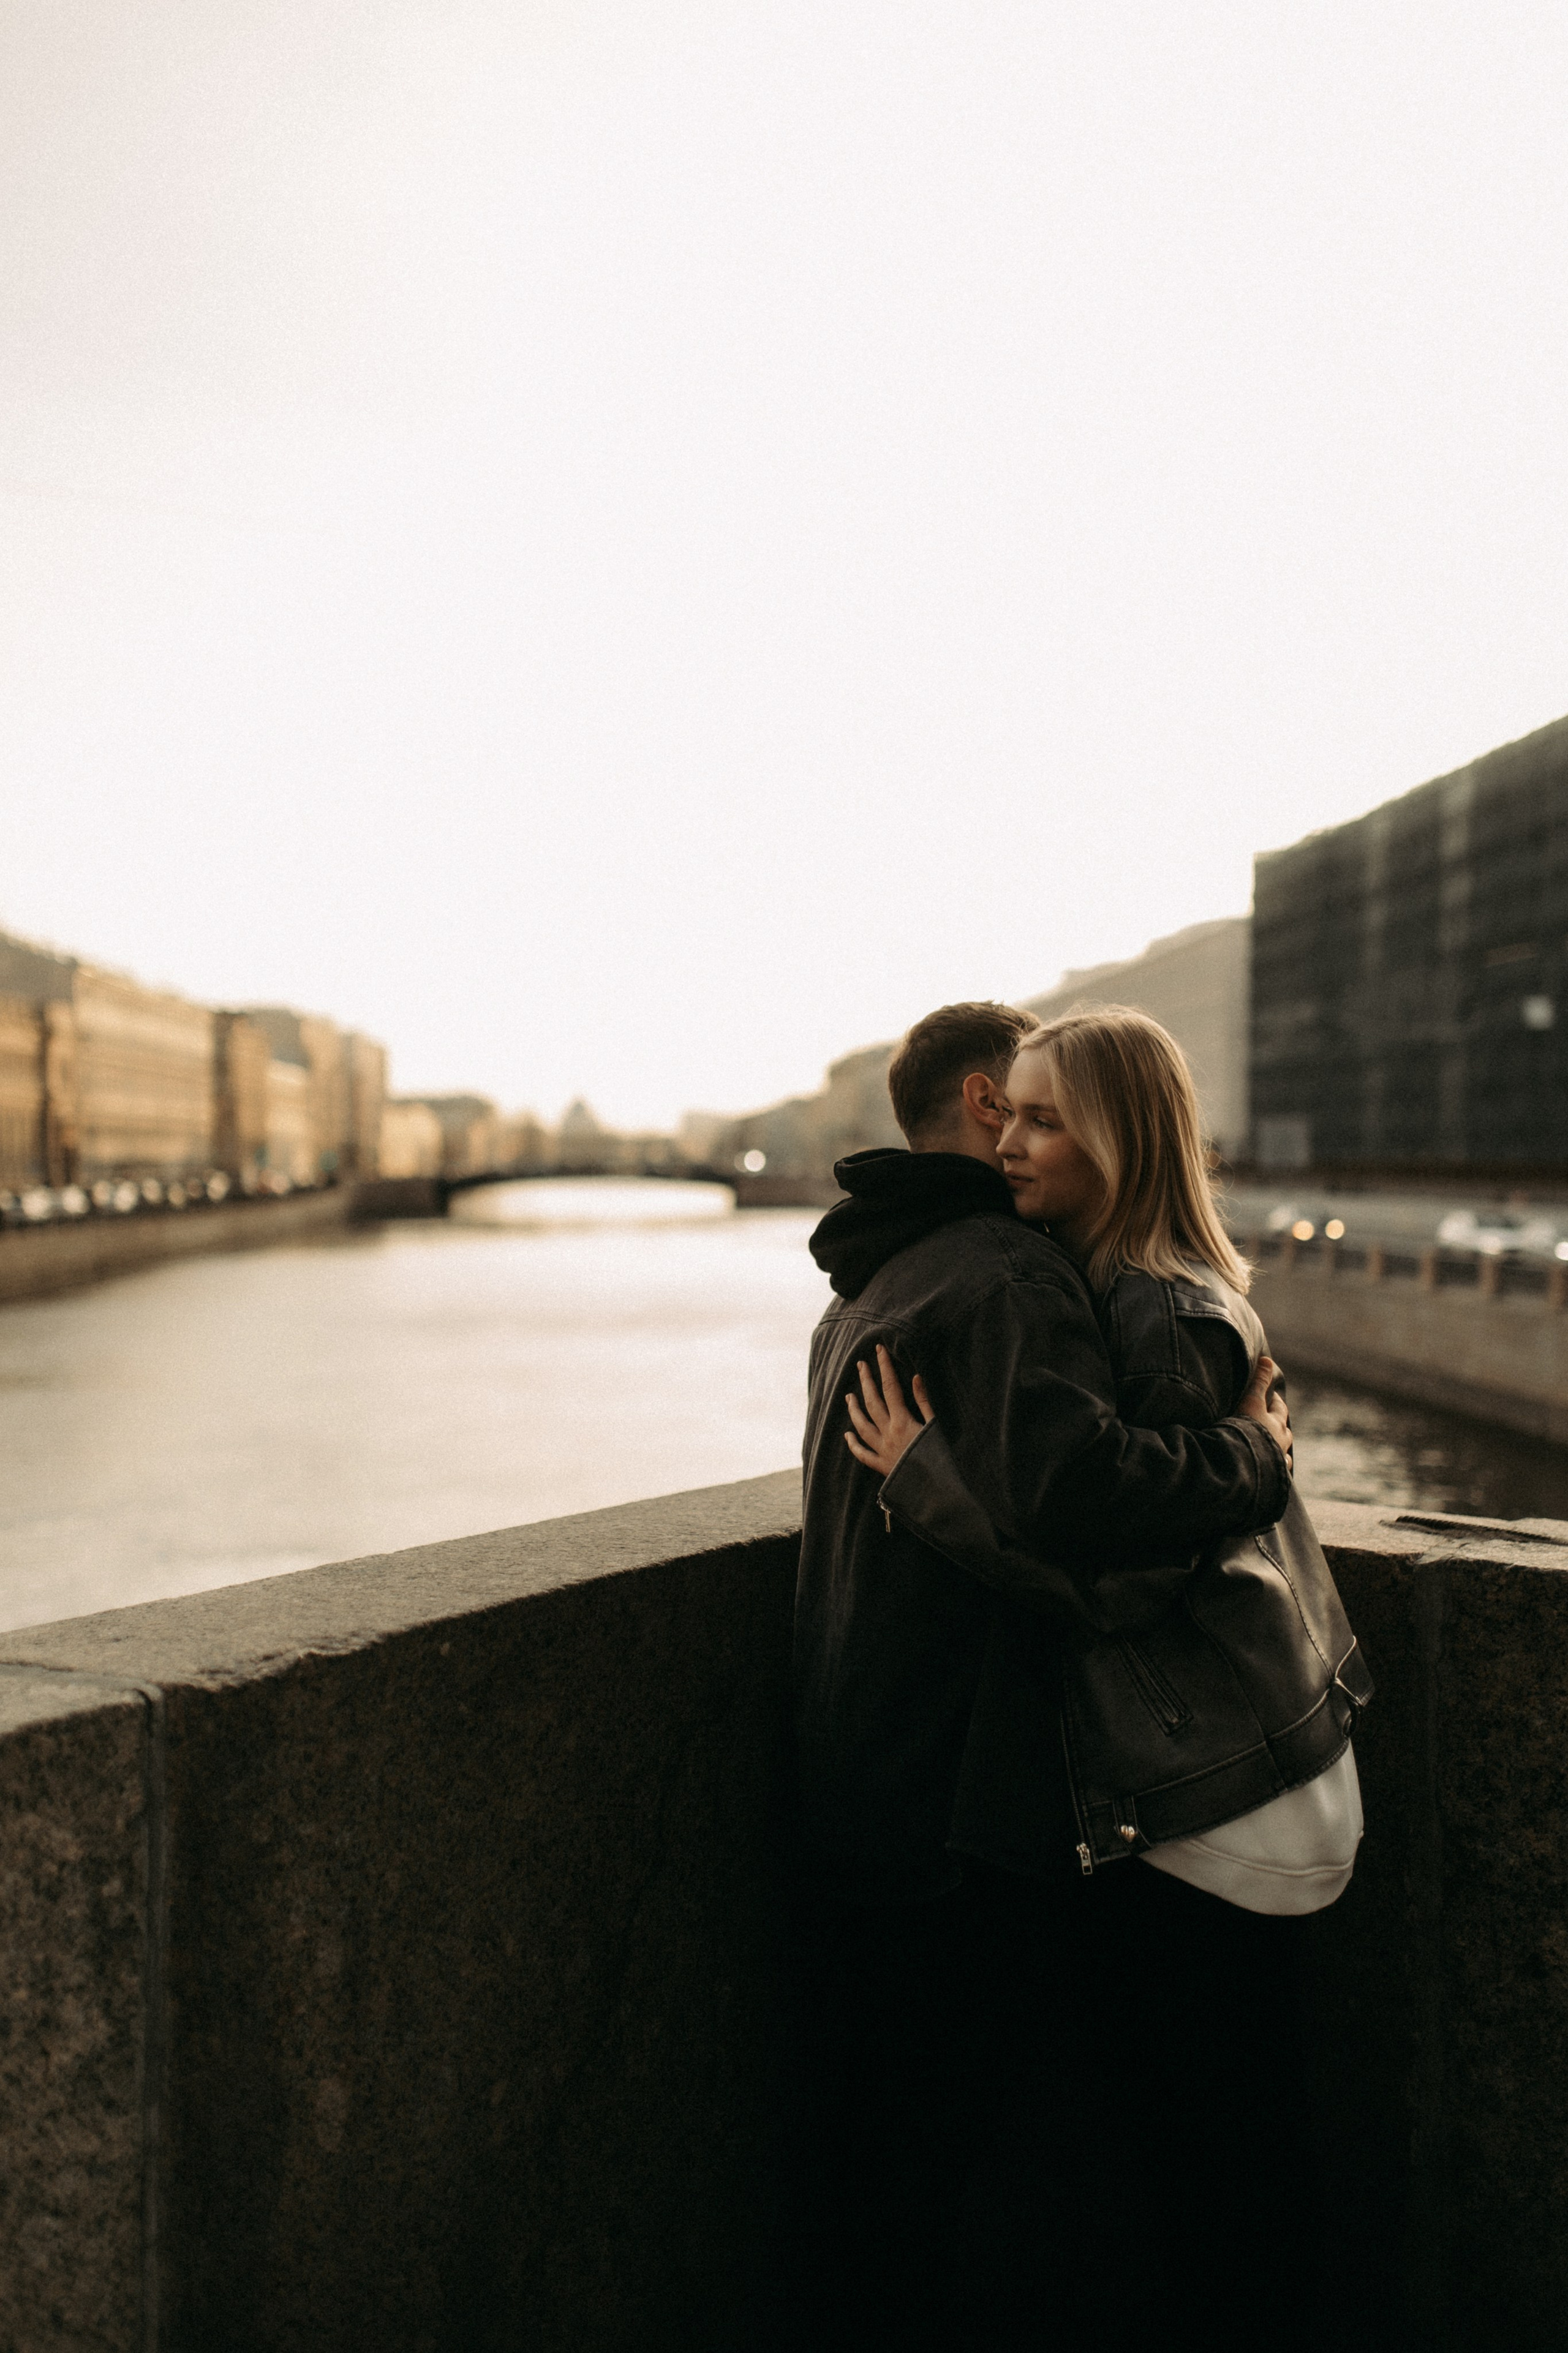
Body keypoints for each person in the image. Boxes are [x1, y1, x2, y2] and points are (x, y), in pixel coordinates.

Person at [829, 1004, 1360, 2352]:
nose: (1011, 1141)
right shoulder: (1073, 1280)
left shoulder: (1146, 1301)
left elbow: (1129, 1581)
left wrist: (936, 1484)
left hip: (1210, 1790)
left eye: (1047, 1118)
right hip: (1181, 1784)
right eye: (1010, 1111)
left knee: (1211, 2144)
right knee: (1186, 2138)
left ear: (1121, 1136)